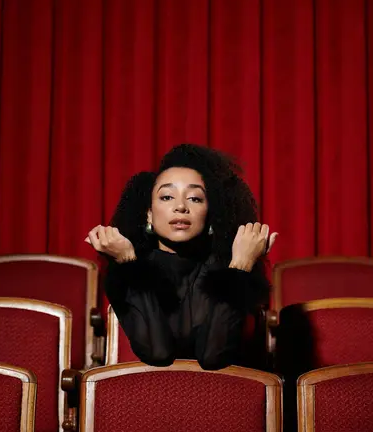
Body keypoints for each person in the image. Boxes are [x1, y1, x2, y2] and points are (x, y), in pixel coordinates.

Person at [85, 144, 277, 370]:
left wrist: (241, 266)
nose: (180, 207)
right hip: (147, 399)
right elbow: (158, 353)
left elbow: (213, 356)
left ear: (211, 214)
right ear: (149, 213)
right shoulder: (127, 269)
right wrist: (128, 262)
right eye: (166, 197)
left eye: (195, 198)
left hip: (224, 399)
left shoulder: (226, 267)